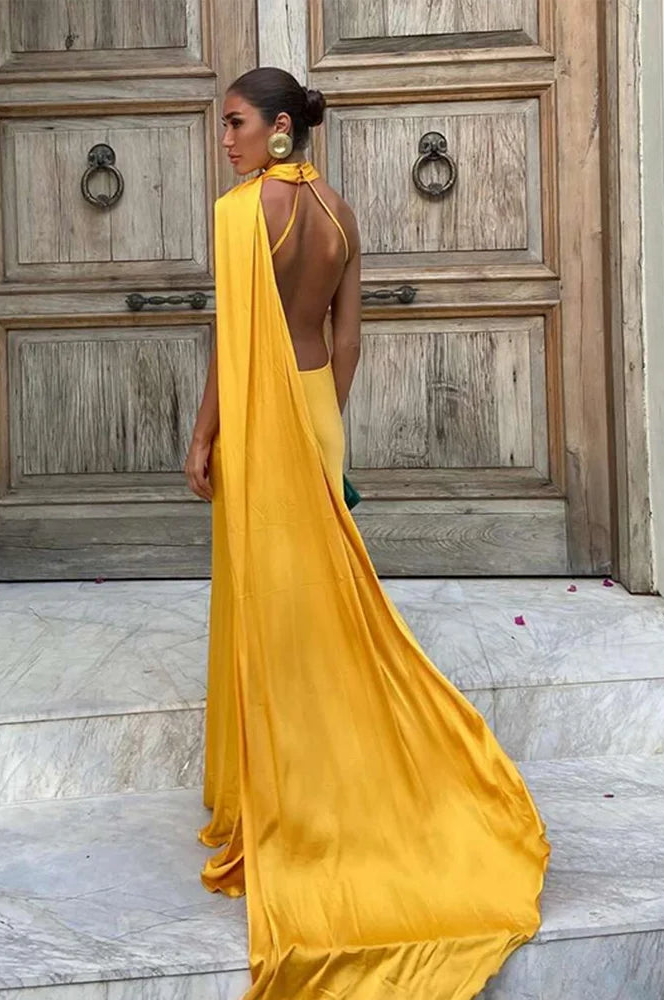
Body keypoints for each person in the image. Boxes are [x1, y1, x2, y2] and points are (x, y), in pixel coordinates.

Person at [184, 66, 551, 1000]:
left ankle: (291, 802)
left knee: (274, 604)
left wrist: (204, 433)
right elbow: (347, 340)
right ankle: (321, 779)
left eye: (234, 123)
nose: (224, 139)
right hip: (316, 411)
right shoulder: (341, 215)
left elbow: (234, 341)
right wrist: (326, 431)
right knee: (323, 601)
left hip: (262, 419)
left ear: (277, 129)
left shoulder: (243, 213)